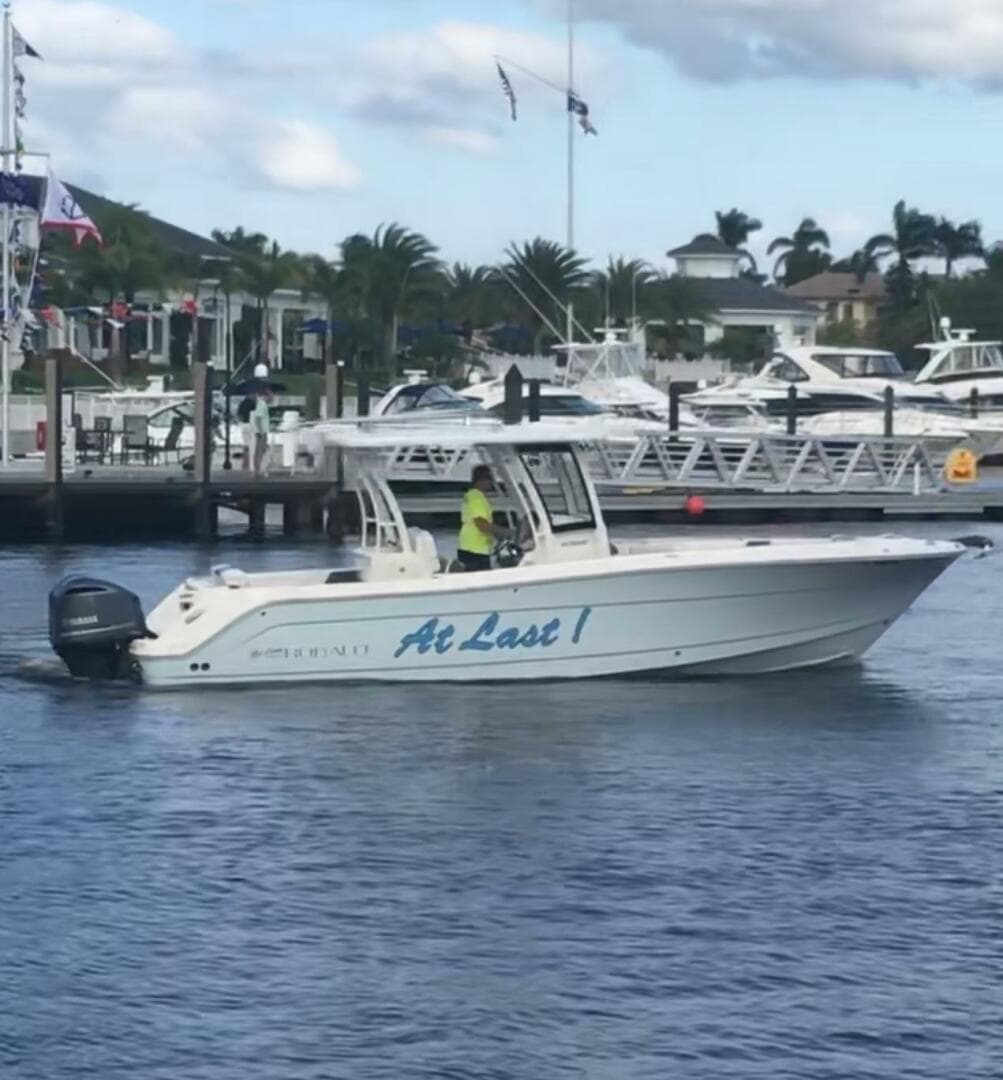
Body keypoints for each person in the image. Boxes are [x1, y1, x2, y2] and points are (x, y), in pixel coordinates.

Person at [457, 464, 508, 571]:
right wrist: (506, 532)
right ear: (482, 479)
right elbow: (481, 524)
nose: (492, 482)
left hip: (468, 547)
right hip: (475, 550)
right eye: (490, 479)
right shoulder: (477, 498)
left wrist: (496, 535)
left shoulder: (471, 495)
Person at [251, 386, 272, 477]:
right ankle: (258, 470)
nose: (272, 398)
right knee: (260, 451)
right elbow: (258, 418)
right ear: (265, 395)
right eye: (271, 395)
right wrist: (261, 431)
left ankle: (259, 469)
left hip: (262, 431)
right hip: (261, 432)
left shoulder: (261, 403)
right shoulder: (262, 404)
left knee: (261, 450)